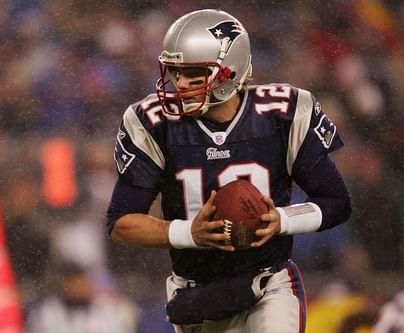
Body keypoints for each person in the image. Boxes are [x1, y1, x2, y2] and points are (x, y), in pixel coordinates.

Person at [106, 8, 351, 333]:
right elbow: (121, 223)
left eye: (193, 73)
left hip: (269, 283)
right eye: (175, 72)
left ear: (229, 71)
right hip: (198, 292)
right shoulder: (157, 125)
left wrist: (283, 219)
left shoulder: (281, 115)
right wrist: (188, 232)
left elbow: (337, 202)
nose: (179, 84)